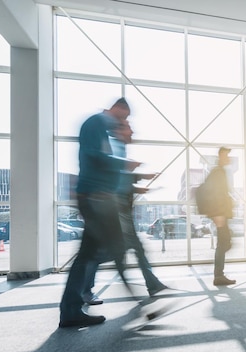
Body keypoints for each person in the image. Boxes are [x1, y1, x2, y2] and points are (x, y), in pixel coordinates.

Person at [59, 98, 137, 328]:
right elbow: (96, 156)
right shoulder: (96, 124)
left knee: (93, 253)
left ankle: (71, 308)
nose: (122, 124)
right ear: (117, 110)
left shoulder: (102, 128)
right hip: (95, 198)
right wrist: (123, 164)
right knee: (103, 251)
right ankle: (71, 308)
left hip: (100, 198)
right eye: (122, 118)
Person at [108, 119, 168, 296]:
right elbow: (116, 178)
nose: (132, 132)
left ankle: (152, 284)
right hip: (117, 207)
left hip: (121, 207)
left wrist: (139, 184)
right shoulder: (115, 147)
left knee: (131, 249)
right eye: (128, 128)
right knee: (102, 255)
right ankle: (150, 285)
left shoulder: (120, 148)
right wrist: (139, 174)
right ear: (119, 130)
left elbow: (121, 180)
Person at [205, 147, 236, 286]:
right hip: (220, 214)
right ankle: (218, 274)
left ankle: (218, 273)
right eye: (227, 155)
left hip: (222, 213)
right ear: (221, 156)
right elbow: (214, 194)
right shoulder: (218, 172)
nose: (228, 158)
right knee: (224, 243)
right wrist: (217, 214)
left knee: (224, 243)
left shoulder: (220, 172)